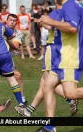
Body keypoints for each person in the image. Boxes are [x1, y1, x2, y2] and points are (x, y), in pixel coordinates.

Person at [36, 0, 83, 131]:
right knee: (46, 86)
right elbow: (60, 26)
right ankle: (49, 127)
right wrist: (47, 22)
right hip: (61, 56)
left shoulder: (70, 5)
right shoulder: (70, 6)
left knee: (71, 93)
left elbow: (73, 27)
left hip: (69, 56)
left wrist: (50, 21)